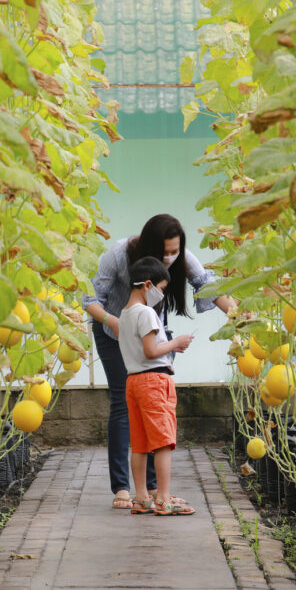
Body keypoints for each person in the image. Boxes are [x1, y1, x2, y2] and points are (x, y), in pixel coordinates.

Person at [83, 214, 237, 509]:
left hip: (150, 332)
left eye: (174, 252)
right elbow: (89, 297)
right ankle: (122, 488)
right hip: (113, 329)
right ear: (148, 249)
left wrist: (237, 315)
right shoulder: (118, 254)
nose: (169, 258)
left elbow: (206, 283)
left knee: (147, 411)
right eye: (164, 252)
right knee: (123, 403)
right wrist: (115, 322)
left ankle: (150, 489)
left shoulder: (179, 257)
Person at [117, 257, 195, 515]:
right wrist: (176, 343)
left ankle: (141, 497)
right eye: (160, 289)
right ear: (147, 285)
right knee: (163, 442)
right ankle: (163, 498)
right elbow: (151, 351)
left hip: (133, 382)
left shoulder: (125, 314)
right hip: (153, 381)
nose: (161, 294)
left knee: (139, 444)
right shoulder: (146, 312)